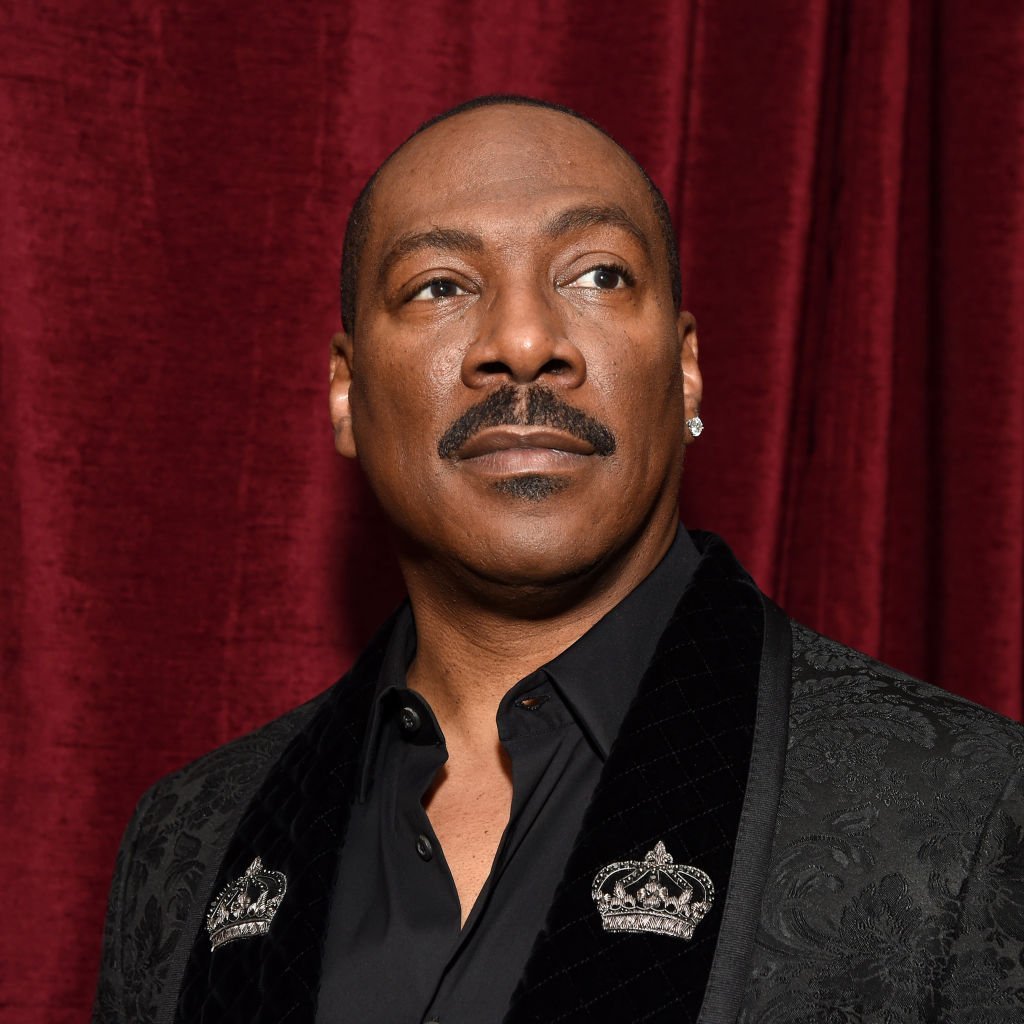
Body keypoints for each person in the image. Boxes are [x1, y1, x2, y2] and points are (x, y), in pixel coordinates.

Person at [92, 95, 1024, 1024]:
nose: (524, 343)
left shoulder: (963, 807)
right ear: (345, 393)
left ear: (687, 365)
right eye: (440, 286)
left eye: (598, 275)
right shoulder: (192, 839)